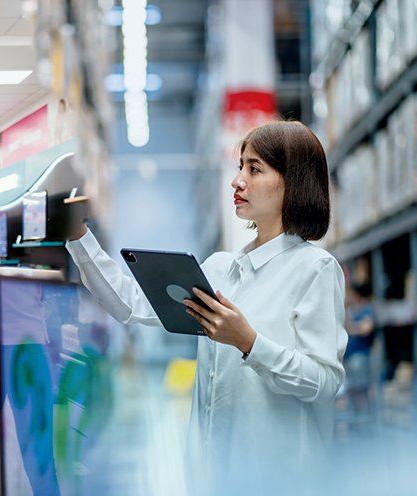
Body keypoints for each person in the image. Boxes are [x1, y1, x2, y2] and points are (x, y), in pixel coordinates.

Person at [63, 120, 344, 493]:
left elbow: (324, 382)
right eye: (240, 167)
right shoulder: (219, 269)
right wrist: (80, 238)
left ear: (293, 181)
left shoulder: (314, 269)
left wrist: (249, 343)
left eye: (254, 169)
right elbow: (129, 305)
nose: (237, 181)